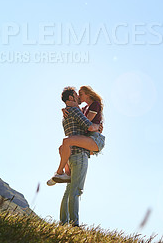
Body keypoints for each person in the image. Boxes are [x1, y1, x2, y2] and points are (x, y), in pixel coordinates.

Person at [50, 86, 105, 227]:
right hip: (80, 154)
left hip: (71, 155)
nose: (78, 97)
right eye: (76, 94)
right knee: (76, 191)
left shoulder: (67, 114)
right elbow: (88, 126)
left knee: (68, 191)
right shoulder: (75, 110)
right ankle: (74, 225)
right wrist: (97, 127)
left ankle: (63, 223)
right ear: (71, 98)